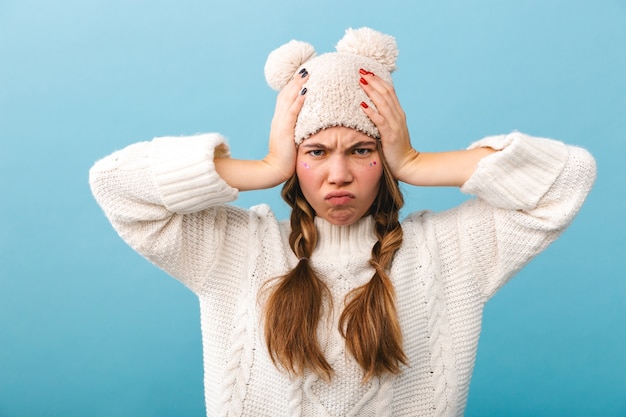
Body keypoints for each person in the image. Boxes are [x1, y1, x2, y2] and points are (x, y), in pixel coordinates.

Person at [89, 27, 596, 417]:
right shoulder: (236, 249)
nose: (339, 175)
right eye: (315, 151)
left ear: (386, 155)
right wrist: (264, 168)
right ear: (294, 157)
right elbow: (115, 184)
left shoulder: (448, 251)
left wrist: (418, 162)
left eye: (361, 149)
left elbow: (569, 176)